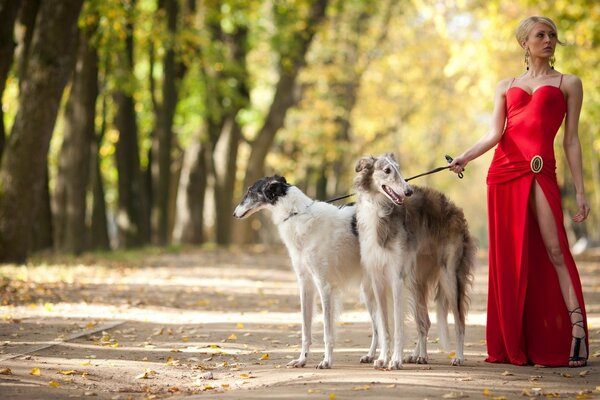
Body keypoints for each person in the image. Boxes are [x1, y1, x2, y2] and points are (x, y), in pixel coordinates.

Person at [448, 16, 590, 367]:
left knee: (555, 248)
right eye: (541, 35)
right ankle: (514, 340)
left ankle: (577, 331)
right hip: (503, 173)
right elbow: (495, 133)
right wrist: (465, 156)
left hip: (540, 171)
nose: (549, 40)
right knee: (509, 258)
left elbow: (571, 141)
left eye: (553, 35)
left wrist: (582, 191)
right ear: (524, 43)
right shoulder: (505, 84)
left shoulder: (568, 83)